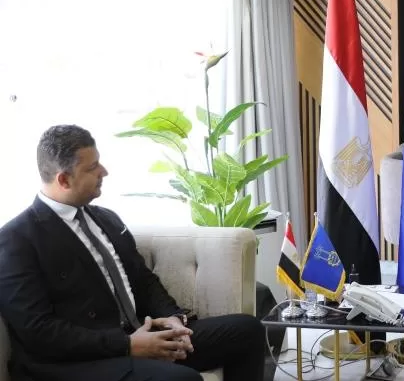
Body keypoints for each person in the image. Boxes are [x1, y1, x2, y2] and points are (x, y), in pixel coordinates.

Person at [0, 125, 266, 381]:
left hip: (138, 335)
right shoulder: (16, 239)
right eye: (92, 167)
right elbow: (38, 331)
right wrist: (127, 345)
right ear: (63, 179)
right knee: (181, 379)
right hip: (78, 361)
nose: (104, 171)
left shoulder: (106, 218)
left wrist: (173, 319)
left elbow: (143, 280)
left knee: (248, 331)